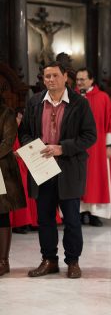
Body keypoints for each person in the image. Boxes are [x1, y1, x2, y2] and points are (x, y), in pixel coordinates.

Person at [18, 61, 97, 278]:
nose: (50, 80)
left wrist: (63, 148)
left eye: (54, 76)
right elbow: (23, 132)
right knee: (45, 218)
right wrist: (33, 147)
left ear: (65, 77)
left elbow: (90, 136)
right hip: (42, 167)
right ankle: (49, 260)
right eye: (46, 77)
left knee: (71, 219)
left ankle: (73, 261)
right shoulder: (34, 102)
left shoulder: (79, 103)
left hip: (69, 168)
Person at [76, 67, 111, 227]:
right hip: (77, 146)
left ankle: (94, 214)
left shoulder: (103, 98)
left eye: (82, 79)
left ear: (91, 80)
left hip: (98, 147)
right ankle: (79, 213)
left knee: (96, 179)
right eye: (78, 79)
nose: (79, 82)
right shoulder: (73, 97)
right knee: (79, 179)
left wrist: (110, 145)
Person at [0, 97, 27, 276]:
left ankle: (3, 261)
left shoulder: (6, 112)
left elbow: (8, 142)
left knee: (1, 214)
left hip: (1, 169)